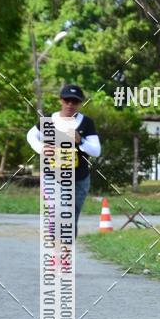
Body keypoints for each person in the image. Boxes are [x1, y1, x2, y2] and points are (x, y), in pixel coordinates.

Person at [26, 84, 101, 239]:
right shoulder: (48, 120)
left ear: (80, 103)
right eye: (67, 100)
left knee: (71, 217)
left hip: (79, 179)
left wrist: (81, 141)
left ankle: (66, 248)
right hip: (52, 177)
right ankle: (54, 244)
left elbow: (96, 151)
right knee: (60, 211)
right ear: (61, 100)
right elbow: (31, 135)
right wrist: (41, 148)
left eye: (75, 101)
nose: (70, 104)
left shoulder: (86, 123)